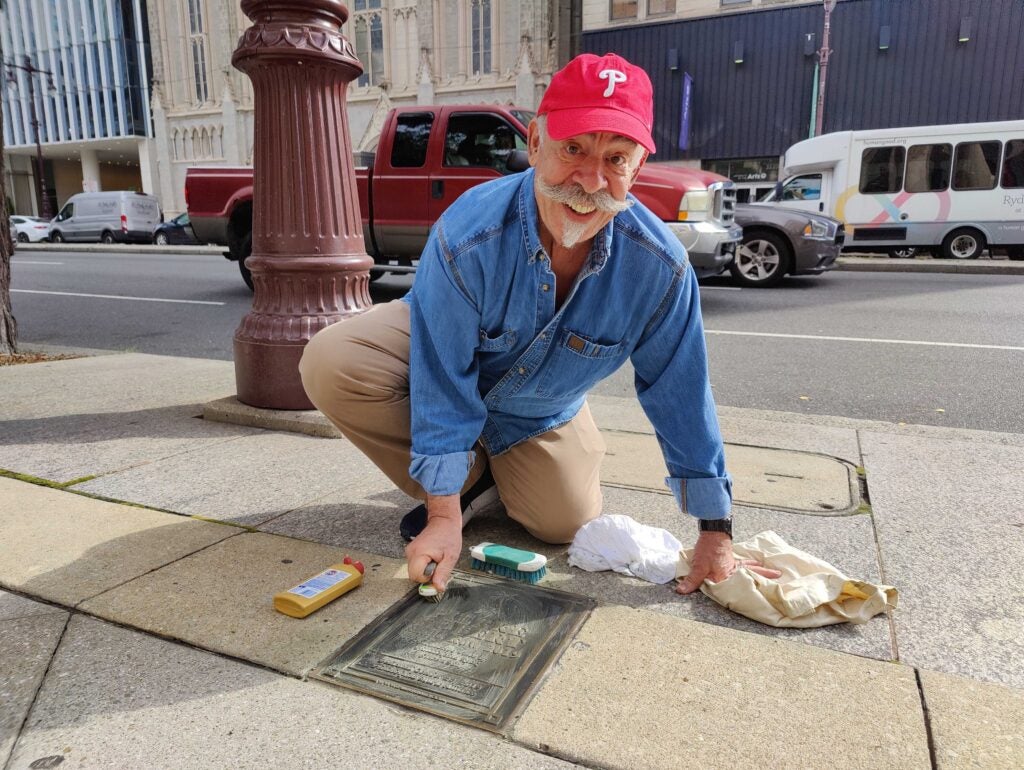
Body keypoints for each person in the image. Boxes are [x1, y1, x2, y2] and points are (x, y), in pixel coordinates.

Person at [299, 52, 781, 597]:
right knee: (332, 361)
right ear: (534, 144)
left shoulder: (660, 268)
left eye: (616, 159)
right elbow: (441, 371)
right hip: (435, 351)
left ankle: (487, 473)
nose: (590, 180)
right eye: (573, 149)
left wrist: (715, 531)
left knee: (563, 524)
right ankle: (463, 484)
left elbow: (682, 394)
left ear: (637, 169)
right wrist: (441, 515)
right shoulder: (468, 231)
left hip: (540, 406)